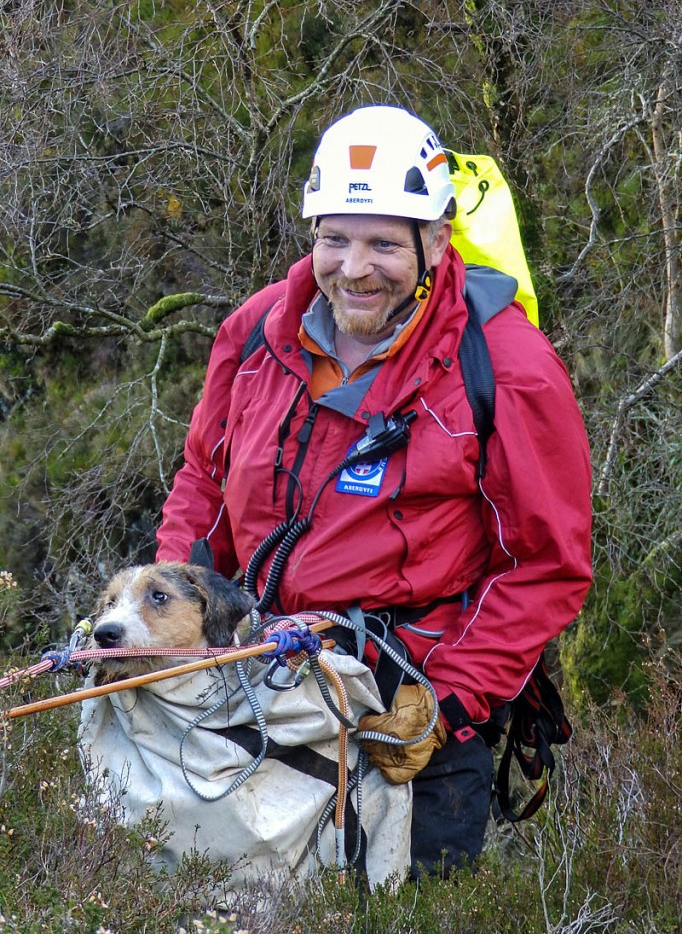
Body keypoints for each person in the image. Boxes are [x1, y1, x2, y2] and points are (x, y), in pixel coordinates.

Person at [156, 105, 592, 877]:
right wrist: (169, 614)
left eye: (385, 243)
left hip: (408, 707)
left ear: (436, 240)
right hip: (257, 683)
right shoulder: (260, 332)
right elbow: (204, 481)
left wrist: (451, 704)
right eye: (334, 239)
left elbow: (546, 564)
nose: (354, 268)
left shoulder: (506, 369)